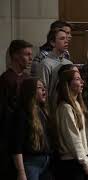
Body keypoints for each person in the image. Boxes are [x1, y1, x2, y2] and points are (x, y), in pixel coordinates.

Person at [55, 69, 88, 180]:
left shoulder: (78, 104)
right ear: (67, 84)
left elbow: (87, 133)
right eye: (78, 79)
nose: (82, 82)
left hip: (84, 158)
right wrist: (85, 163)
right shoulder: (65, 108)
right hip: (72, 162)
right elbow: (73, 138)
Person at [0, 40, 33, 178]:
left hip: (28, 137)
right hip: (10, 138)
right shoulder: (6, 80)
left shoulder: (27, 78)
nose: (30, 58)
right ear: (15, 56)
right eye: (27, 54)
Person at [12, 78, 51, 180]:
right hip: (31, 164)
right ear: (30, 91)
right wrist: (21, 172)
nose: (44, 90)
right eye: (39, 87)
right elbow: (17, 146)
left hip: (46, 162)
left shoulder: (42, 111)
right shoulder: (22, 113)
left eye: (44, 88)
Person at [37, 28, 73, 114]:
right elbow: (44, 90)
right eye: (62, 39)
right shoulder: (45, 64)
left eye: (66, 38)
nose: (66, 41)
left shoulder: (69, 63)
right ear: (53, 42)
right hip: (53, 109)